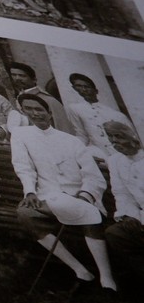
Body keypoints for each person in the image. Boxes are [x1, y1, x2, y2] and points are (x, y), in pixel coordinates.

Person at [11, 93, 117, 291]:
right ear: (24, 111)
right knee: (25, 213)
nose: (35, 113)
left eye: (40, 109)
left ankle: (106, 276)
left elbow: (92, 175)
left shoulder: (71, 141)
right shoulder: (20, 135)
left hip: (78, 194)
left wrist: (85, 194)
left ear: (49, 113)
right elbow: (23, 167)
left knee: (86, 210)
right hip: (47, 194)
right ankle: (79, 269)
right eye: (29, 109)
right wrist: (29, 191)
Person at [103, 121, 144, 284]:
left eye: (119, 136)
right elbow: (122, 193)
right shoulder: (115, 161)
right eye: (111, 138)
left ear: (133, 135)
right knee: (115, 234)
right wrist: (129, 215)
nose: (115, 142)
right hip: (140, 216)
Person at [65, 73, 133, 158]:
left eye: (87, 87)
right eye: (78, 86)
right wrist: (77, 153)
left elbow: (132, 137)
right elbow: (81, 134)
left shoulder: (115, 114)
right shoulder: (75, 109)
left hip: (121, 154)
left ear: (96, 90)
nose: (83, 90)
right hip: (99, 154)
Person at [7, 61, 72, 133]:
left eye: (22, 75)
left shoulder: (47, 99)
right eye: (14, 75)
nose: (17, 78)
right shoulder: (18, 98)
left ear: (34, 79)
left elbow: (63, 126)